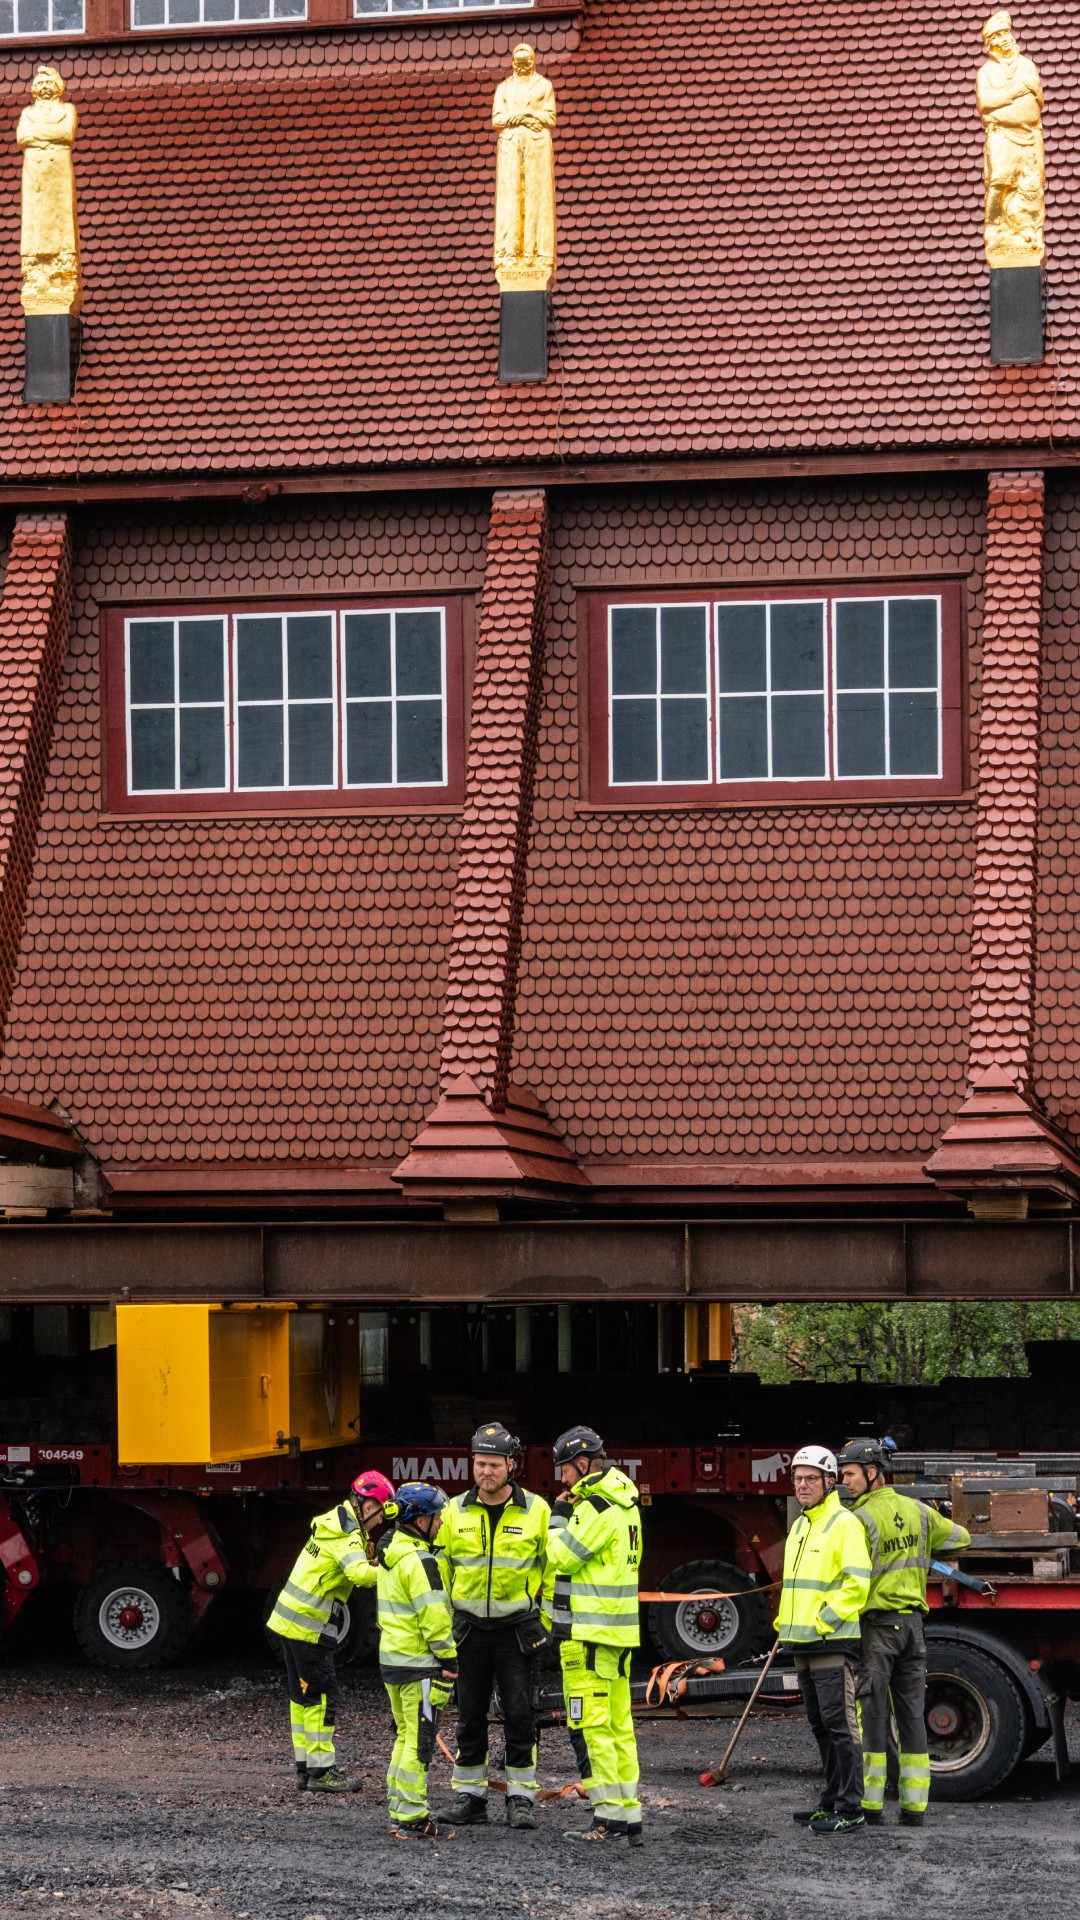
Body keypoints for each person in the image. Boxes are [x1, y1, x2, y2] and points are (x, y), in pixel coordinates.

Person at [838, 1437, 971, 1828]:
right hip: (913, 1627)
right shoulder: (918, 1510)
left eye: (849, 1473)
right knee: (912, 1717)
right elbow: (960, 1538)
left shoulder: (857, 1520)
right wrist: (924, 1551)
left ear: (873, 1473)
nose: (844, 1482)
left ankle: (872, 1807)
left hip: (877, 1629)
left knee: (873, 1717)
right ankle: (914, 1808)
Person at [439, 1422, 551, 1830]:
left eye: (493, 1464)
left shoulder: (537, 1510)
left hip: (517, 1631)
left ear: (511, 1466)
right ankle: (470, 1798)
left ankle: (521, 1800)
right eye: (479, 1464)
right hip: (467, 1631)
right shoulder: (453, 1511)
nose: (485, 1472)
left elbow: (553, 1571)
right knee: (469, 1715)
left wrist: (547, 1622)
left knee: (521, 1714)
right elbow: (440, 1570)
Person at [544, 1425, 643, 1846]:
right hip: (615, 1636)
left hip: (587, 1636)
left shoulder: (594, 1507)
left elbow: (560, 1555)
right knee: (619, 1728)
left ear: (583, 1465)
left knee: (594, 1730)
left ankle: (605, 1819)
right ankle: (627, 1817)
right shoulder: (626, 1503)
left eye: (565, 1471)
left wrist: (558, 1518)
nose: (562, 1480)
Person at [265, 1467, 393, 1792]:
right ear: (366, 1506)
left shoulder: (333, 1521)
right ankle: (323, 1773)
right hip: (310, 1626)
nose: (380, 1521)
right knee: (322, 1696)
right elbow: (360, 1575)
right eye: (380, 1512)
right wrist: (399, 1570)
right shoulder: (347, 1534)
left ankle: (306, 1769)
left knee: (302, 1696)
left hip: (290, 1621)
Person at [775, 1444, 872, 1836]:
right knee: (820, 1725)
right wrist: (787, 1623)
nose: (802, 1485)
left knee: (840, 1727)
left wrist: (822, 1621)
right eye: (797, 1478)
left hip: (830, 1643)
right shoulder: (800, 1524)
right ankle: (831, 1801)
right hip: (802, 1643)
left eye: (811, 1478)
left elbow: (857, 1583)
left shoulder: (844, 1523)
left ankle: (852, 1808)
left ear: (830, 1482)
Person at [376, 1480, 459, 1841]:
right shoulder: (421, 1562)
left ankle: (400, 1810)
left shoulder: (391, 1554)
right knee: (419, 1743)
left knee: (404, 1738)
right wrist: (450, 1659)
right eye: (435, 1516)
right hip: (420, 1665)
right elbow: (435, 1618)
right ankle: (412, 1818)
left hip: (393, 1662)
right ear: (418, 1520)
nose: (440, 1522)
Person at [975, 10, 1044, 265]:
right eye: (998, 35)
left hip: (1028, 134)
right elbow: (986, 102)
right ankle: (994, 227)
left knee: (1031, 185)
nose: (1004, 38)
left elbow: (1037, 98)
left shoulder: (1027, 66)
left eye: (1006, 33)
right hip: (1002, 135)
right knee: (999, 183)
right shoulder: (986, 73)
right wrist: (1014, 92)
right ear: (990, 43)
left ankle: (1030, 230)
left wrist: (1006, 101)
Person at [492, 42, 556, 286]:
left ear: (533, 62)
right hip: (510, 146)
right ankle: (509, 254)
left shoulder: (543, 86)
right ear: (512, 64)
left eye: (526, 63)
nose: (522, 67)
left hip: (537, 144)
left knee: (536, 197)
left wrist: (530, 117)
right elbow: (497, 118)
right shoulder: (504, 88)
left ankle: (535, 253)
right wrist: (514, 119)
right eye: (518, 63)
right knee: (510, 199)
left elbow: (551, 117)